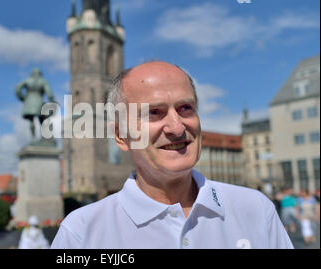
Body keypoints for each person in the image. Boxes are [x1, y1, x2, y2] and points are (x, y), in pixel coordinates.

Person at [51, 61, 293, 249]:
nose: (177, 127)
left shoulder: (255, 209)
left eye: (185, 108)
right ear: (121, 136)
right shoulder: (82, 233)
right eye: (154, 112)